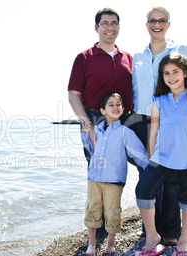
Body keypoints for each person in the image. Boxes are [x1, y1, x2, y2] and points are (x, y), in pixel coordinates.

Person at [134, 53, 187, 256]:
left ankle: (183, 239)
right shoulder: (159, 101)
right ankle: (152, 237)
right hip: (161, 158)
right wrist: (152, 157)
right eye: (166, 73)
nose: (171, 76)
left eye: (175, 72)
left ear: (185, 73)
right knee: (143, 189)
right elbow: (154, 132)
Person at [131, 6, 187, 246]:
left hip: (169, 120)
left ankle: (170, 229)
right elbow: (134, 88)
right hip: (140, 119)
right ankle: (149, 228)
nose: (156, 24)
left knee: (170, 175)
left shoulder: (180, 50)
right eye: (152, 20)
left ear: (168, 24)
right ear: (146, 24)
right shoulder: (137, 56)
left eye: (161, 20)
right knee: (146, 173)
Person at [68, 7, 133, 237]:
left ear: (118, 27)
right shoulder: (84, 58)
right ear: (97, 27)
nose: (109, 27)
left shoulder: (128, 58)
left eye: (114, 23)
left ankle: (143, 223)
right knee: (98, 173)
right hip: (94, 119)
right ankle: (99, 229)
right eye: (105, 23)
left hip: (124, 120)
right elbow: (73, 94)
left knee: (130, 169)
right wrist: (87, 124)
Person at [81, 93, 148, 256]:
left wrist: (151, 170)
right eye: (111, 105)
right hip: (94, 178)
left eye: (118, 104)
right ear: (103, 111)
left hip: (114, 180)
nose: (115, 107)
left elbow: (139, 154)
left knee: (113, 212)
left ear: (123, 109)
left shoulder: (125, 132)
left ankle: (110, 243)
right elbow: (89, 148)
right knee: (92, 209)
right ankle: (92, 243)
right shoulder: (96, 130)